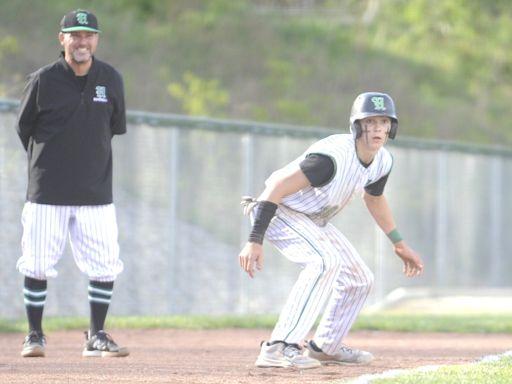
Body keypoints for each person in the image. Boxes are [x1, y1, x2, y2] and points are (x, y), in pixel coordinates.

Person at [239, 92, 424, 369]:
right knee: (325, 261)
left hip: (311, 219)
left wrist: (398, 242)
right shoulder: (330, 159)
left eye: (383, 122)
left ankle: (325, 348)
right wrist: (254, 240)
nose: (376, 129)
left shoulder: (382, 160)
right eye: (369, 122)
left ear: (391, 127)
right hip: (278, 211)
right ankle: (278, 348)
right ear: (357, 126)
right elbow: (275, 189)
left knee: (360, 279)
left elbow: (373, 198)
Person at [15, 9, 128, 358]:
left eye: (88, 34)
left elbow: (113, 126)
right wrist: (48, 164)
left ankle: (96, 336)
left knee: (105, 264)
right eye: (75, 34)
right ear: (61, 39)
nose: (82, 41)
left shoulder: (110, 78)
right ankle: (34, 335)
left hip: (95, 191)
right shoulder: (44, 79)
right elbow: (25, 128)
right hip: (48, 191)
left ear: (97, 39)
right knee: (35, 263)